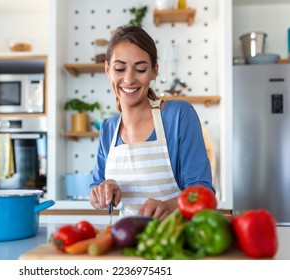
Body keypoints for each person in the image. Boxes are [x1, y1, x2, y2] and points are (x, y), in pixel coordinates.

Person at [89, 25, 215, 221]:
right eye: (120, 68)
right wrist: (103, 192)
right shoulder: (108, 129)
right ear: (107, 70)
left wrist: (169, 206)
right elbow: (95, 192)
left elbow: (204, 194)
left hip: (174, 242)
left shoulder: (179, 116)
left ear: (154, 71)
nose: (129, 79)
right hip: (126, 244)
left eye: (140, 69)